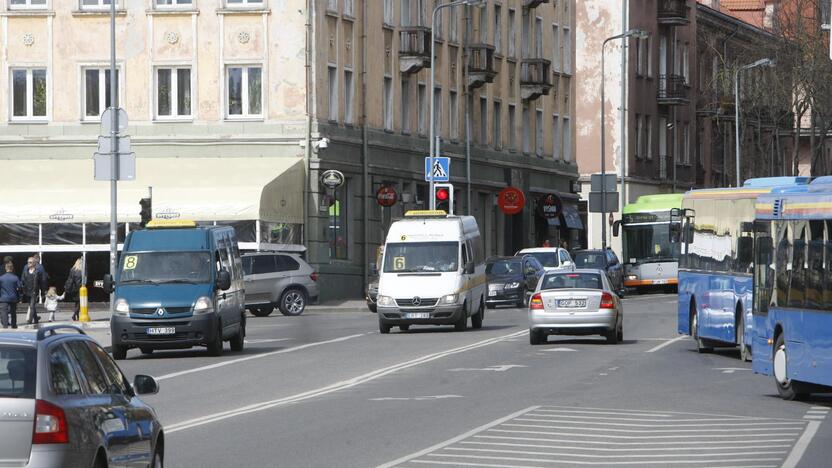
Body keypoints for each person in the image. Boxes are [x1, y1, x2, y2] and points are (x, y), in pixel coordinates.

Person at [22, 257, 45, 324]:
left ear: (34, 263)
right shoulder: (25, 272)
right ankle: (36, 319)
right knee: (32, 306)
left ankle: (29, 320)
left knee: (32, 306)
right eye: (28, 262)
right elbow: (23, 280)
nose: (28, 263)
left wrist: (43, 292)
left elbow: (42, 282)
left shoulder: (38, 272)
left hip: (34, 291)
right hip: (27, 291)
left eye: (30, 262)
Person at [0, 262, 21, 328]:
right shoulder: (15, 278)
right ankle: (14, 325)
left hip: (3, 297)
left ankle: (5, 325)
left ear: (6, 268)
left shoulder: (1, 278)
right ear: (12, 268)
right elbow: (19, 287)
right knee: (13, 312)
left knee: (4, 312)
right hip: (13, 297)